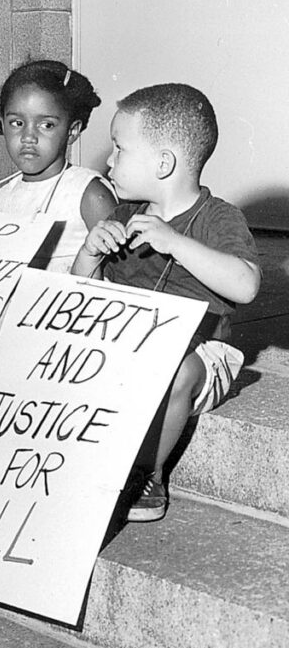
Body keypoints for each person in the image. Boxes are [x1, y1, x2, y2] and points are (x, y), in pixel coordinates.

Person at [71, 83, 261, 522]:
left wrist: (175, 242)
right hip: (128, 342)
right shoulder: (121, 215)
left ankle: (147, 471)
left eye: (119, 149)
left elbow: (246, 286)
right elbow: (79, 297)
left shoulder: (218, 218)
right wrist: (89, 255)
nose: (109, 160)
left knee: (178, 367)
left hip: (200, 353)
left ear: (163, 163)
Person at [0, 60, 117, 272]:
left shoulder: (89, 194)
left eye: (46, 125)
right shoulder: (2, 197)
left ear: (72, 131)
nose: (28, 137)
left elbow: (121, 276)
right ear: (2, 125)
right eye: (17, 123)